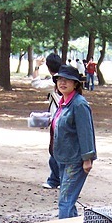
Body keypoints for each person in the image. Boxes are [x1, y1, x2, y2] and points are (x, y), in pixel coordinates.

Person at [51, 65, 96, 219]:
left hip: (76, 160)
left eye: (67, 80)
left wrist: (87, 159)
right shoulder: (63, 102)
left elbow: (86, 132)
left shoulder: (79, 104)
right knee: (68, 201)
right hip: (63, 158)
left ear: (75, 83)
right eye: (60, 80)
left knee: (65, 201)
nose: (62, 83)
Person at [32, 54, 64, 190]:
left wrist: (36, 66)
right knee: (59, 149)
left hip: (59, 120)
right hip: (61, 118)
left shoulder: (54, 82)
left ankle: (55, 180)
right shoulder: (64, 79)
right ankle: (59, 178)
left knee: (55, 150)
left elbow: (36, 84)